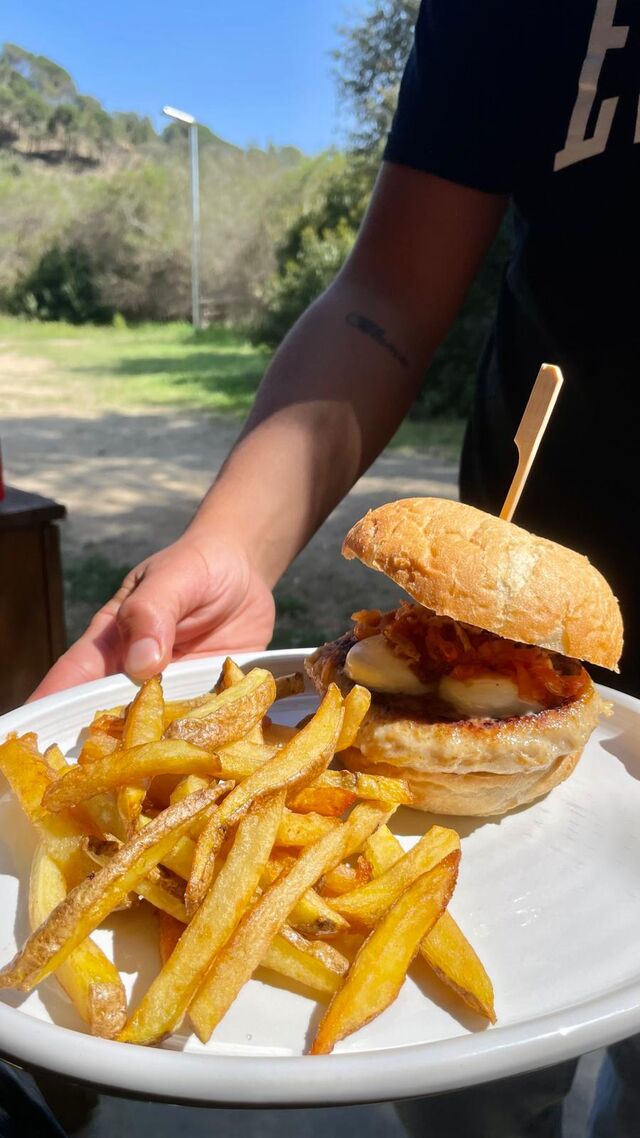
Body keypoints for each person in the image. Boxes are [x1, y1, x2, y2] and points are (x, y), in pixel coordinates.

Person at [16, 0, 640, 1134]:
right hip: (533, 576)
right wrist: (228, 544)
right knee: (471, 1090)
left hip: (570, 706)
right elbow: (387, 293)